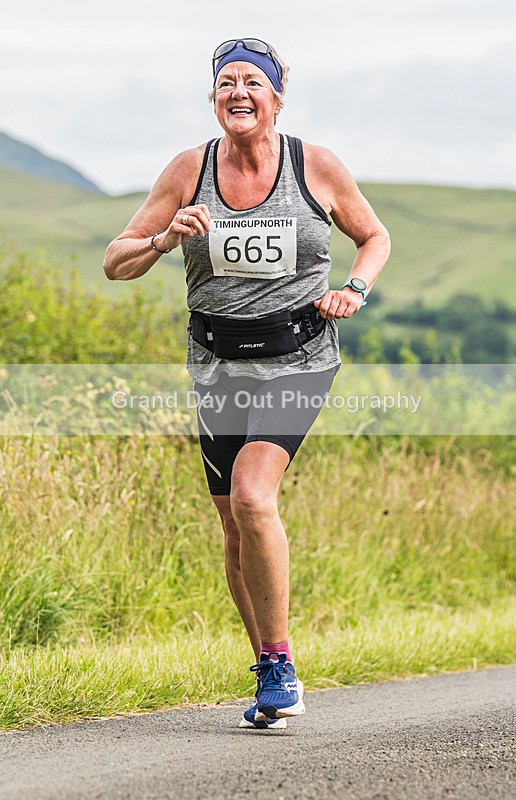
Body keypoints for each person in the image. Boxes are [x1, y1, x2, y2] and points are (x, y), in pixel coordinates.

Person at [104, 37, 391, 729]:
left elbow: (373, 236)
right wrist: (163, 240)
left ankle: (283, 663)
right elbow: (116, 262)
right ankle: (266, 663)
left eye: (251, 83)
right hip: (216, 364)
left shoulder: (314, 166)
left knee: (252, 496)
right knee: (233, 525)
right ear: (213, 97)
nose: (237, 92)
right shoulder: (187, 169)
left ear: (275, 97)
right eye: (225, 82)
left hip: (298, 357)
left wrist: (353, 288)